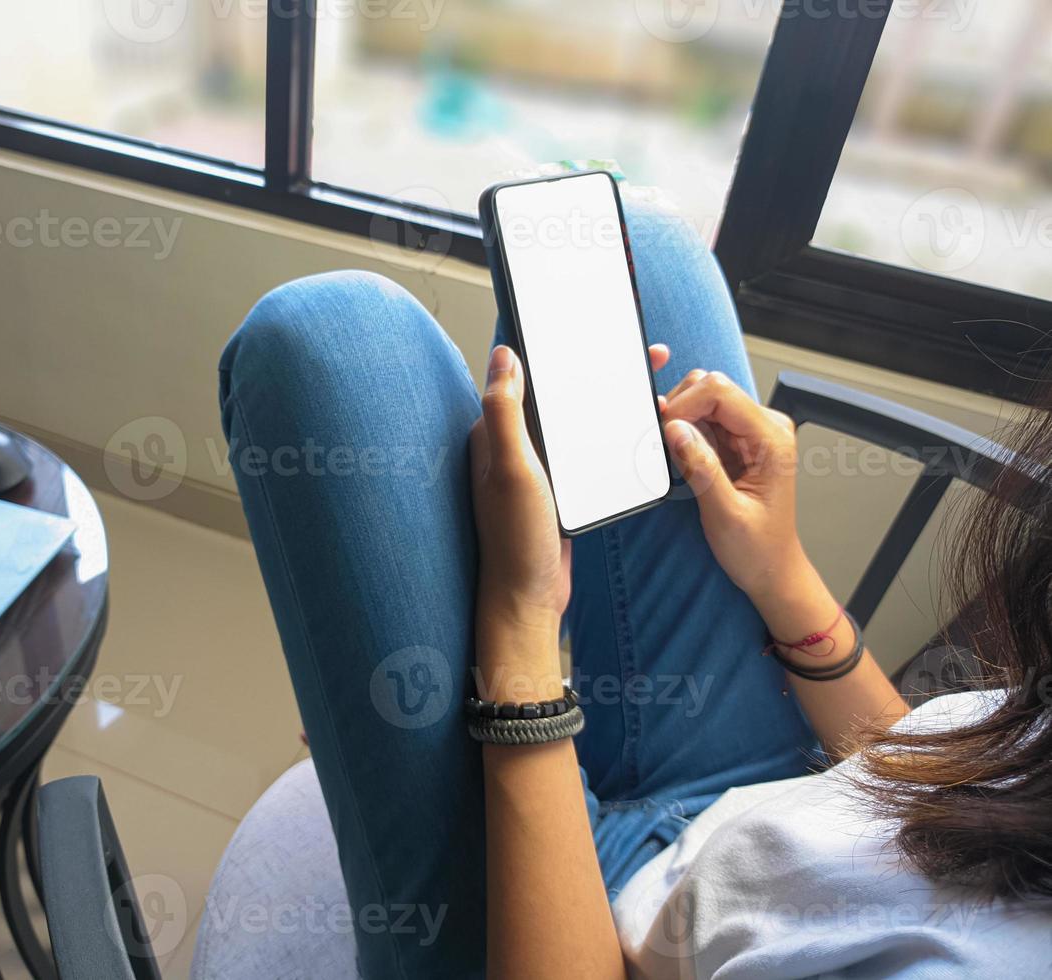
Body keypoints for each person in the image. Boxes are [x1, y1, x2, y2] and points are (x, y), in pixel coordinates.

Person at [216, 199, 1052, 978]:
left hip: (583, 947)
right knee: (637, 245)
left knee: (322, 335)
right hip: (781, 799)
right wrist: (778, 568)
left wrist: (520, 620)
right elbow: (938, 789)